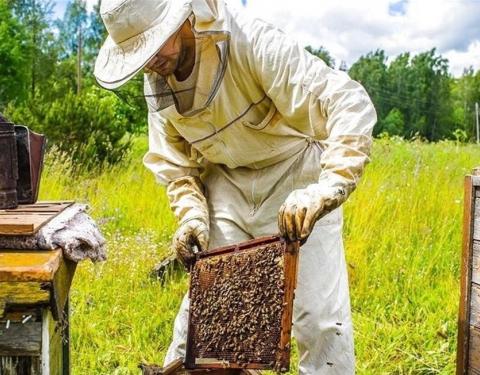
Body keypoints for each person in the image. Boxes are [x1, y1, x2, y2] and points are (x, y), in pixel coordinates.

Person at [94, 0, 377, 373]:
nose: (150, 62)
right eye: (139, 53)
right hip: (225, 180)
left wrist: (328, 187)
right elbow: (177, 167)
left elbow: (347, 101)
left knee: (320, 319)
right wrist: (192, 217)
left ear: (183, 20)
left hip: (296, 173)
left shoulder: (252, 41)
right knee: (204, 314)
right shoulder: (158, 83)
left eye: (154, 44)